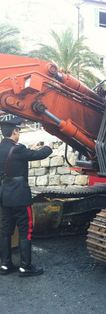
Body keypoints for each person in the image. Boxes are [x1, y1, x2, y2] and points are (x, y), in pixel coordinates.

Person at [0, 117, 52, 276]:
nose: (19, 134)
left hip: (5, 194)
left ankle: (5, 265)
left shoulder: (4, 147)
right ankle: (25, 267)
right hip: (20, 196)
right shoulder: (18, 148)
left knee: (6, 230)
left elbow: (16, 157)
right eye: (19, 131)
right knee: (25, 231)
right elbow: (40, 155)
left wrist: (31, 148)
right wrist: (48, 148)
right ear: (15, 131)